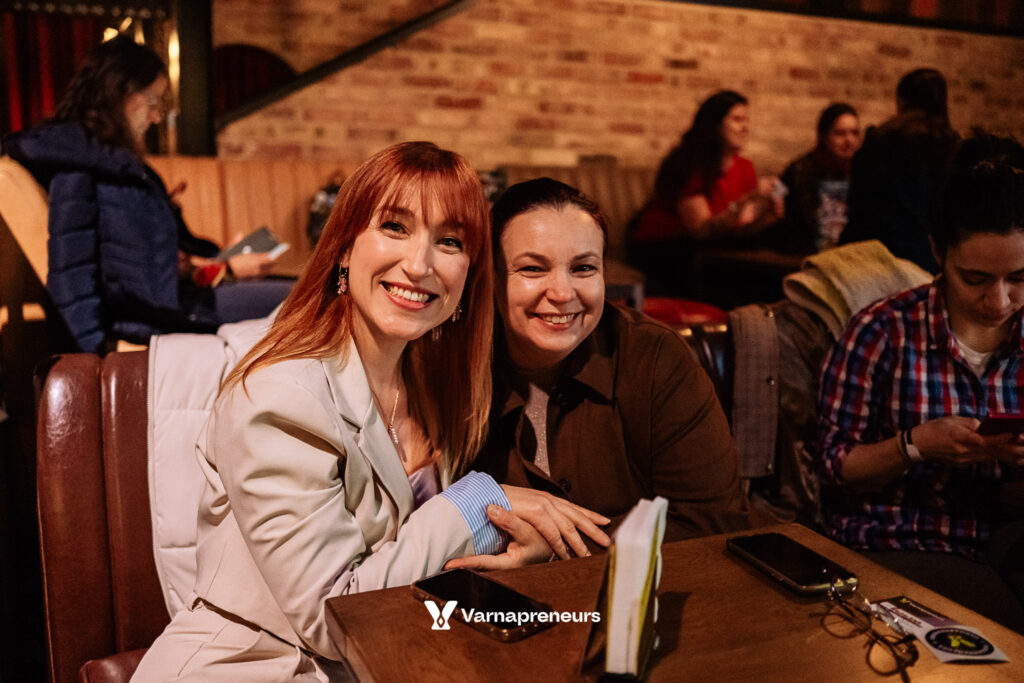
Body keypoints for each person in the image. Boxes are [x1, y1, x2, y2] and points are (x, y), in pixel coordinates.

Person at [132, 143, 610, 680]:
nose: (419, 264)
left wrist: (510, 542)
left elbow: (418, 557)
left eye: (449, 241)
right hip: (255, 665)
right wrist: (480, 502)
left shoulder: (430, 383)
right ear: (343, 247)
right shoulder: (279, 397)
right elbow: (332, 613)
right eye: (395, 228)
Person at [470, 177, 758, 545]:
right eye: (532, 269)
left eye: (583, 268)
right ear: (492, 278)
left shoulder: (656, 358)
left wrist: (557, 549)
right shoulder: (456, 361)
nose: (562, 293)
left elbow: (714, 520)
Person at [817, 132, 1024, 632]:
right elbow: (836, 470)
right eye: (974, 279)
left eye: (1020, 278)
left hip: (1007, 535)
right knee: (999, 631)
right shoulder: (882, 333)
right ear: (937, 251)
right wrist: (913, 446)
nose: (999, 301)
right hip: (906, 537)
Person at [2, 34, 290, 353]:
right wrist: (94, 359)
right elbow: (71, 275)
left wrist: (216, 259)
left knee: (307, 293)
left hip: (177, 300)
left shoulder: (116, 162)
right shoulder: (80, 162)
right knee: (309, 301)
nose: (156, 117)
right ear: (119, 93)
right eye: (153, 101)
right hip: (162, 314)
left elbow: (139, 257)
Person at [627, 90, 783, 296]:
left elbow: (737, 229)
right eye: (737, 120)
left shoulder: (745, 167)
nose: (745, 128)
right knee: (714, 268)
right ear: (715, 125)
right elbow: (701, 231)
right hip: (662, 247)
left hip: (709, 249)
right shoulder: (688, 164)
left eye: (746, 120)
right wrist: (748, 198)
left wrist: (770, 218)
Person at [839, 68, 959, 273]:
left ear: (902, 101)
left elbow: (859, 209)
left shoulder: (879, 140)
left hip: (878, 258)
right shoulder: (955, 145)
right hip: (936, 261)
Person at [773, 103, 861, 254]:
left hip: (847, 253)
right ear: (824, 136)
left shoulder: (861, 170)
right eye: (840, 133)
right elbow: (809, 222)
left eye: (855, 133)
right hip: (800, 255)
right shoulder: (801, 170)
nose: (849, 140)